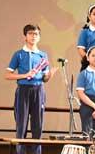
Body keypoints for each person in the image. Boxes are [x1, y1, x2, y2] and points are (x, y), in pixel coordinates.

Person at [5, 24, 57, 154]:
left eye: (36, 34)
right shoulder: (18, 54)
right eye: (30, 34)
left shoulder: (43, 55)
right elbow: (7, 75)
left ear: (39, 37)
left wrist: (50, 75)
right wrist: (24, 75)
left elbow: (44, 78)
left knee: (37, 125)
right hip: (23, 90)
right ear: (25, 36)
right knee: (21, 125)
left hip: (38, 90)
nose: (33, 36)